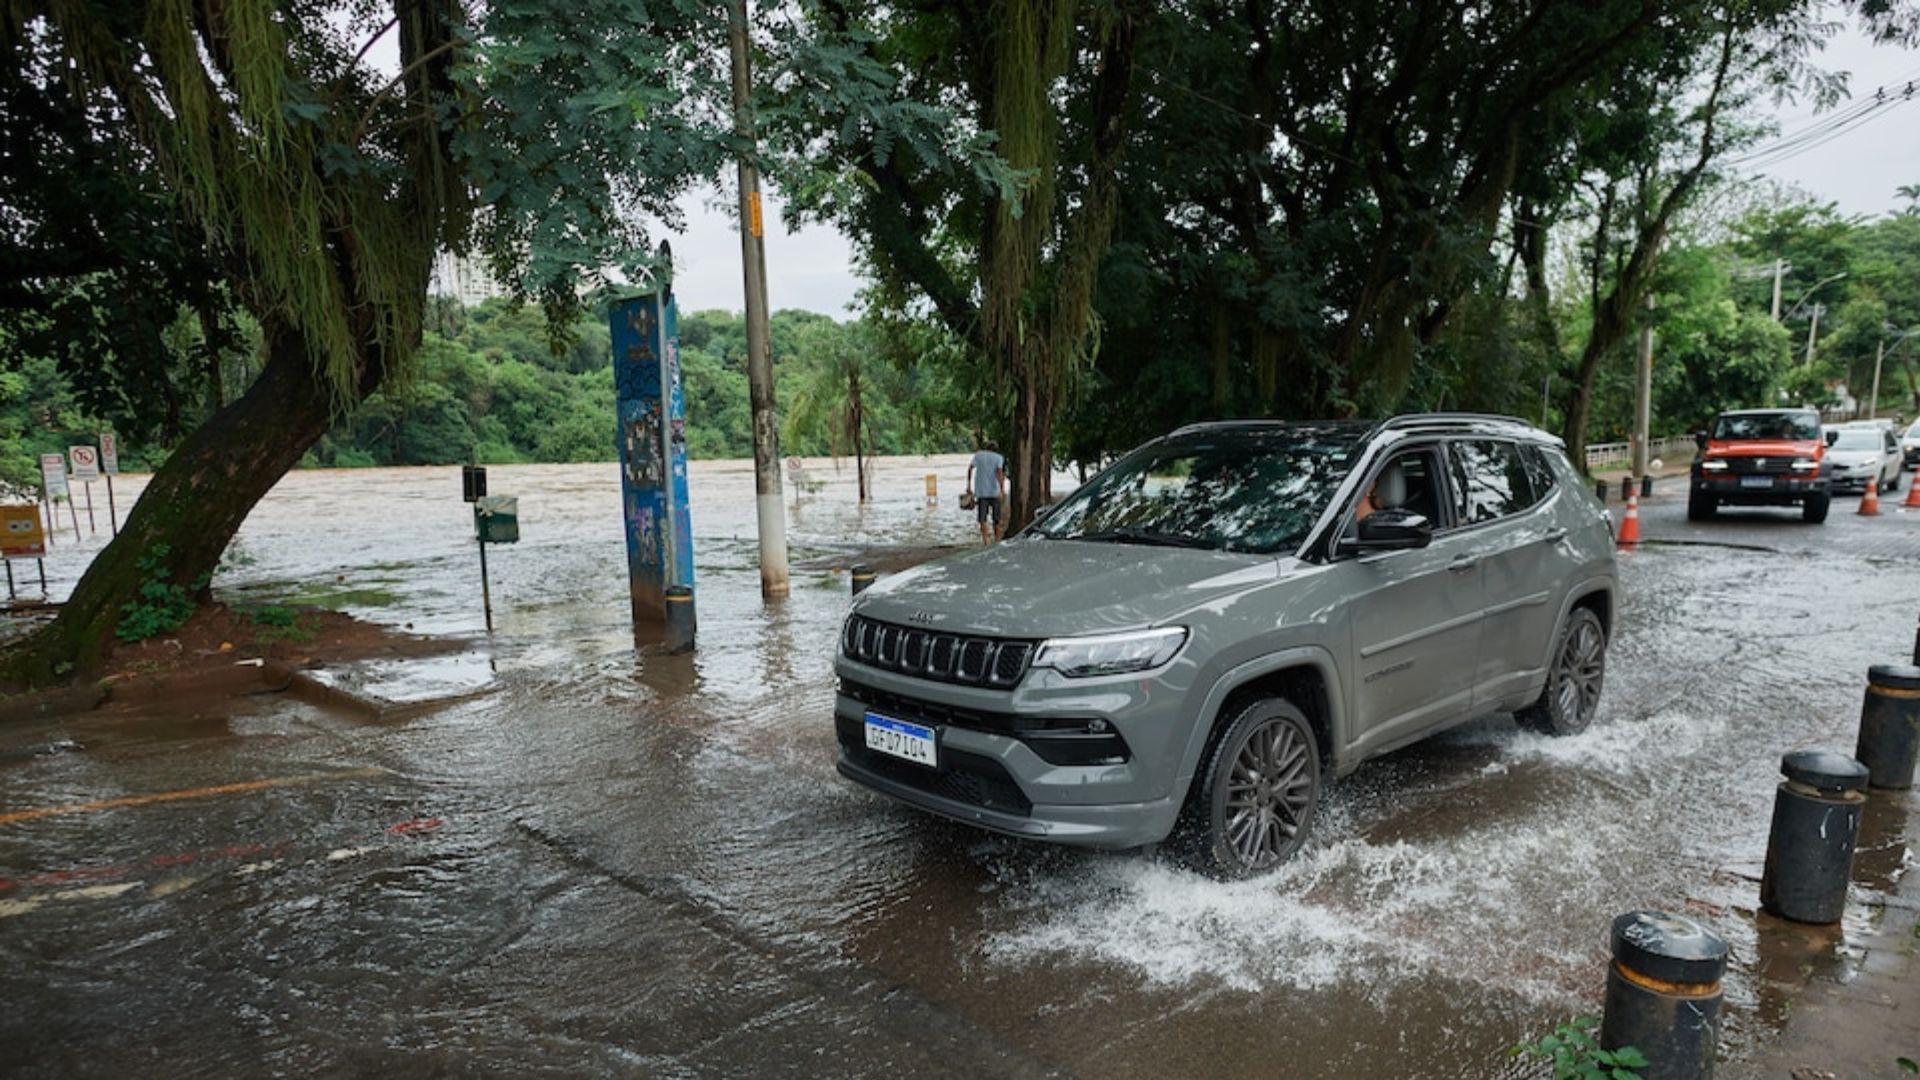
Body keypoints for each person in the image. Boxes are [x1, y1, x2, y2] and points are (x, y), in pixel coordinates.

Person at [966, 440, 1007, 543]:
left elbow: (970, 469)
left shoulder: (979, 455)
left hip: (981, 492)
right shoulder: (998, 458)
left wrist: (969, 485)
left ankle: (985, 540)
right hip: (994, 492)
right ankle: (997, 540)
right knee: (996, 519)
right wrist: (1002, 490)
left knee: (982, 518)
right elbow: (999, 473)